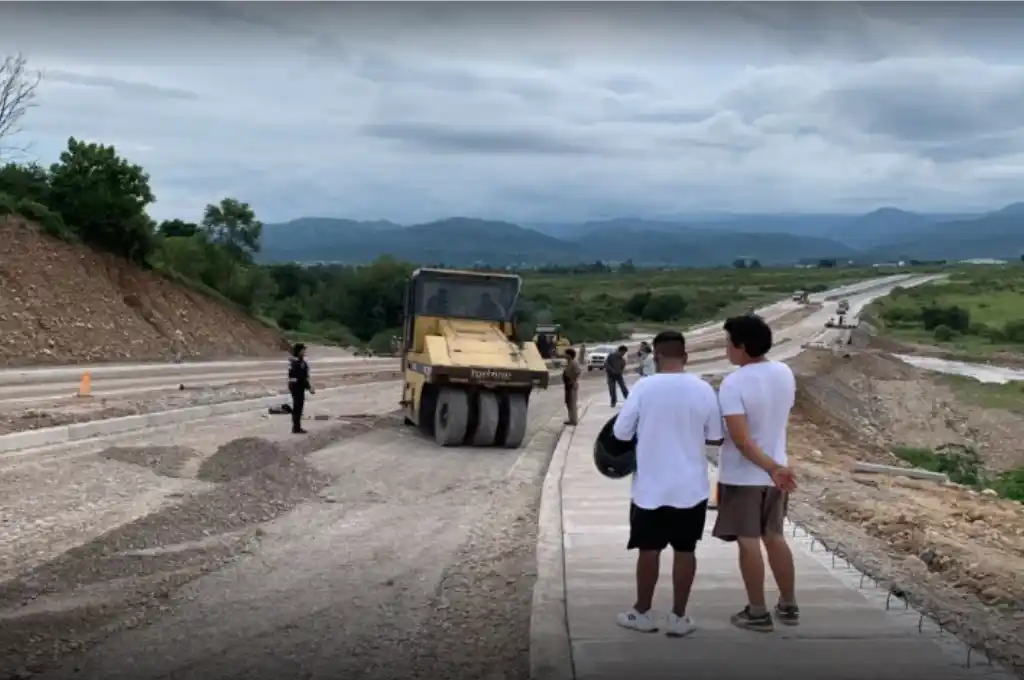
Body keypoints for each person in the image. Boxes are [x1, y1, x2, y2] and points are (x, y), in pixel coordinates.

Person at [612, 330, 724, 637]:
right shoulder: (703, 389)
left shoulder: (644, 388)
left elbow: (621, 434)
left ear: (656, 357)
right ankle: (678, 618)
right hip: (691, 488)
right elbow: (715, 436)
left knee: (649, 550)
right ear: (685, 357)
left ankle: (642, 612)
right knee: (685, 550)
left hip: (650, 488)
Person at [712, 314, 800, 632]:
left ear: (742, 347)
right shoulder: (784, 372)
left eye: (727, 343)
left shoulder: (734, 382)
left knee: (748, 542)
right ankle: (788, 605)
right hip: (776, 474)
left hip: (745, 476)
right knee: (775, 537)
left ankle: (757, 612)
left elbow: (742, 440)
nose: (726, 349)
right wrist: (776, 467)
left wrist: (771, 468)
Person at [287, 343, 315, 434]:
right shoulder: (297, 362)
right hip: (296, 386)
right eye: (303, 350)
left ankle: (296, 427)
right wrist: (309, 387)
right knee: (297, 407)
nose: (304, 351)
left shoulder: (297, 361)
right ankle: (296, 428)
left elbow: (303, 376)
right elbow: (301, 377)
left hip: (296, 385)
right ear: (299, 351)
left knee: (298, 407)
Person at [562, 348, 581, 425]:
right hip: (568, 385)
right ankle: (571, 419)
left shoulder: (574, 363)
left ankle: (574, 420)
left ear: (569, 355)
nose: (565, 355)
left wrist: (572, 380)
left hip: (571, 385)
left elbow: (578, 372)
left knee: (572, 403)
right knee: (568, 403)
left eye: (566, 354)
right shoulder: (569, 362)